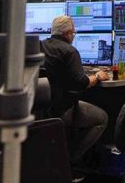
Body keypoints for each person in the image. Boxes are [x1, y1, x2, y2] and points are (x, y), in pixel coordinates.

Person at [40, 15, 111, 162]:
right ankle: (72, 159)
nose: (73, 35)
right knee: (102, 118)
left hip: (43, 109)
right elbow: (82, 83)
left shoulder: (40, 46)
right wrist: (97, 76)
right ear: (67, 33)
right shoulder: (70, 51)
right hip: (63, 110)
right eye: (73, 32)